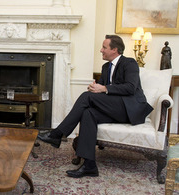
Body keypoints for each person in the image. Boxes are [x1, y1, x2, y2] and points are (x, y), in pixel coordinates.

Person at [37, 35, 153, 178]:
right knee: (88, 113)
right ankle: (89, 165)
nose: (101, 50)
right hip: (114, 108)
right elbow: (101, 93)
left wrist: (103, 88)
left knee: (86, 97)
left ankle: (57, 134)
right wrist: (94, 88)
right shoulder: (105, 67)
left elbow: (130, 88)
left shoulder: (129, 63)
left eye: (104, 47)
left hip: (131, 109)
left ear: (115, 50)